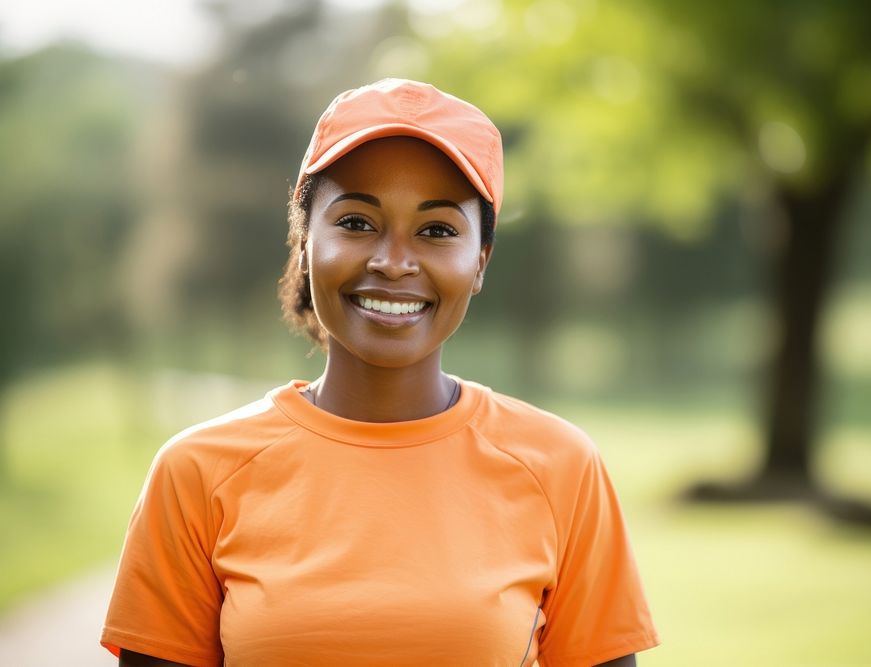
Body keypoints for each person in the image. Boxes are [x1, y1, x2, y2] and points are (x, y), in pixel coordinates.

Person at [100, 78, 660, 667]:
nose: (393, 261)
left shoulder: (560, 468)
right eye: (357, 222)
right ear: (303, 239)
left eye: (437, 230)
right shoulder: (196, 474)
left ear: (480, 263)